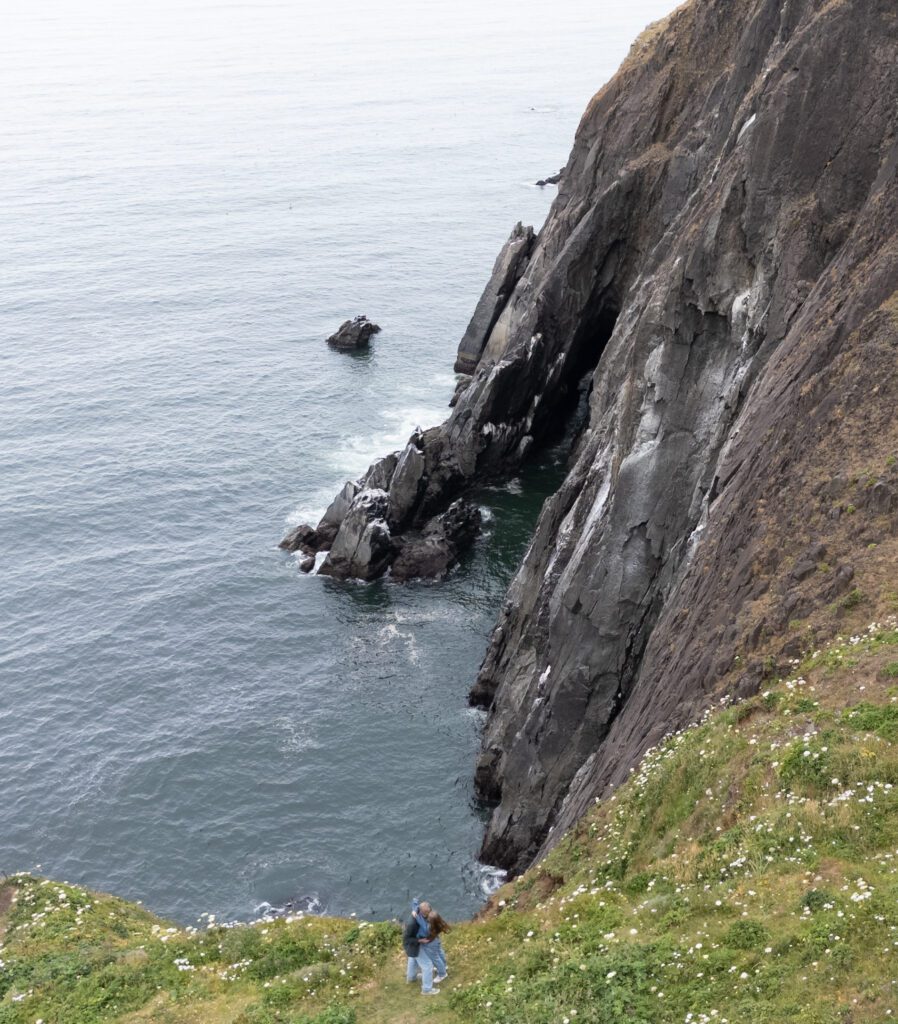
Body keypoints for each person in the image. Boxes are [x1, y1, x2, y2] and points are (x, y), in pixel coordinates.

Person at [403, 898, 440, 995]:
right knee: (427, 965)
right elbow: (406, 939)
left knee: (413, 959)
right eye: (429, 913)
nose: (430, 914)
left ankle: (411, 978)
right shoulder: (412, 923)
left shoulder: (417, 911)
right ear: (424, 913)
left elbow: (415, 902)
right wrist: (420, 940)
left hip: (414, 945)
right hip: (413, 944)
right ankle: (427, 990)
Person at [424, 906, 451, 982]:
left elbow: (428, 938)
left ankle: (442, 974)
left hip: (432, 943)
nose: (427, 919)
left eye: (428, 919)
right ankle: (444, 966)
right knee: (439, 952)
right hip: (437, 940)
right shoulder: (438, 925)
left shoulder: (430, 928)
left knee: (435, 958)